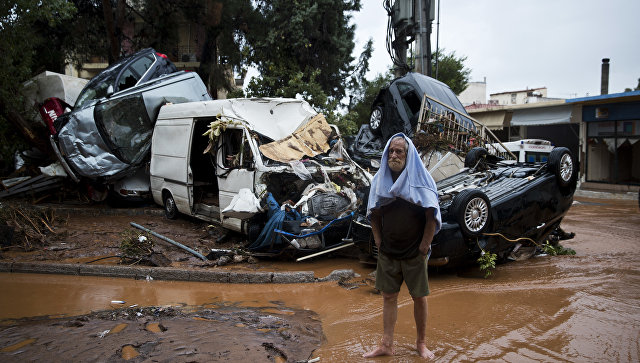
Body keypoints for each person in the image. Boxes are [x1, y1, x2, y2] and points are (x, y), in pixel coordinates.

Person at [363, 133, 441, 359]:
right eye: (391, 151)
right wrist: (378, 240)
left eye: (400, 151)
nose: (394, 155)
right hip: (388, 251)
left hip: (414, 251)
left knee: (419, 297)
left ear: (408, 155)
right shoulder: (380, 180)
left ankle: (421, 344)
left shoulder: (422, 179)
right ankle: (386, 344)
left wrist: (425, 246)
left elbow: (431, 215)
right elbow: (374, 213)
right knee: (388, 297)